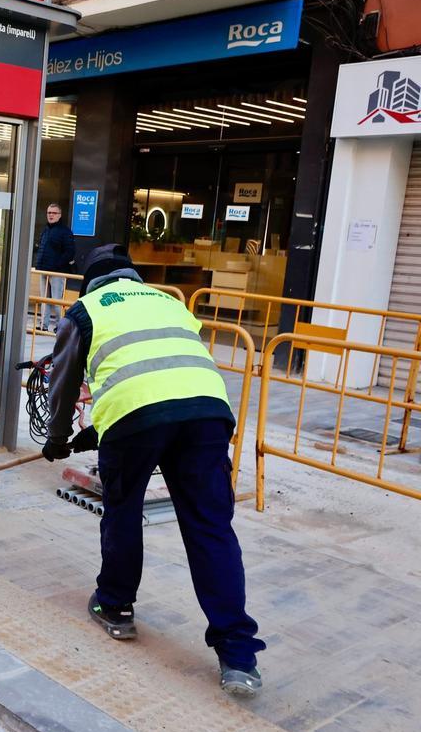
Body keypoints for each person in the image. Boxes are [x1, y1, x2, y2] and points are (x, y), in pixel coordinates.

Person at [43, 243, 265, 697]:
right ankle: (239, 656)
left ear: (91, 282)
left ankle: (115, 606)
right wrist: (100, 430)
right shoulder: (170, 301)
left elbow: (65, 384)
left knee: (123, 510)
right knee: (211, 528)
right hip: (206, 412)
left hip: (135, 418)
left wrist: (57, 439)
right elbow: (164, 368)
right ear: (133, 278)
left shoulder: (84, 310)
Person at [34, 203, 75, 332]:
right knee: (44, 300)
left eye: (54, 213)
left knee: (57, 302)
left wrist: (56, 265)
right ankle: (43, 325)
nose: (51, 215)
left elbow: (70, 252)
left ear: (59, 215)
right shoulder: (45, 230)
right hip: (43, 270)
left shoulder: (65, 232)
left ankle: (60, 327)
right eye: (49, 212)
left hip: (57, 272)